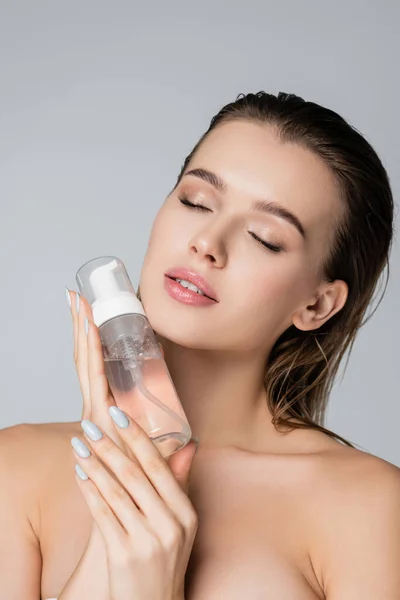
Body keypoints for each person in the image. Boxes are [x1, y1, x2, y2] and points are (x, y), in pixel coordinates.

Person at [0, 90, 399, 599]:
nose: (207, 242)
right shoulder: (13, 471)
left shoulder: (371, 507)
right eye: (196, 201)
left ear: (317, 305)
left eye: (264, 236)